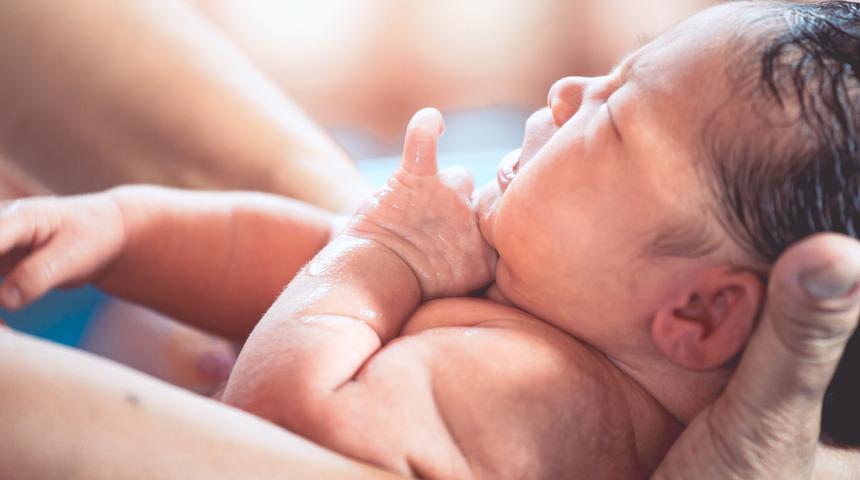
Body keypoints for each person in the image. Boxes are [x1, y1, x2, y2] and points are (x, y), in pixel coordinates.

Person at [1, 0, 859, 478]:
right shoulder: (552, 303)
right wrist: (116, 230)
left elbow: (273, 427)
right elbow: (275, 257)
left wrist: (381, 255)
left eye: (615, 118)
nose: (567, 91)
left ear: (699, 314)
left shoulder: (538, 396)